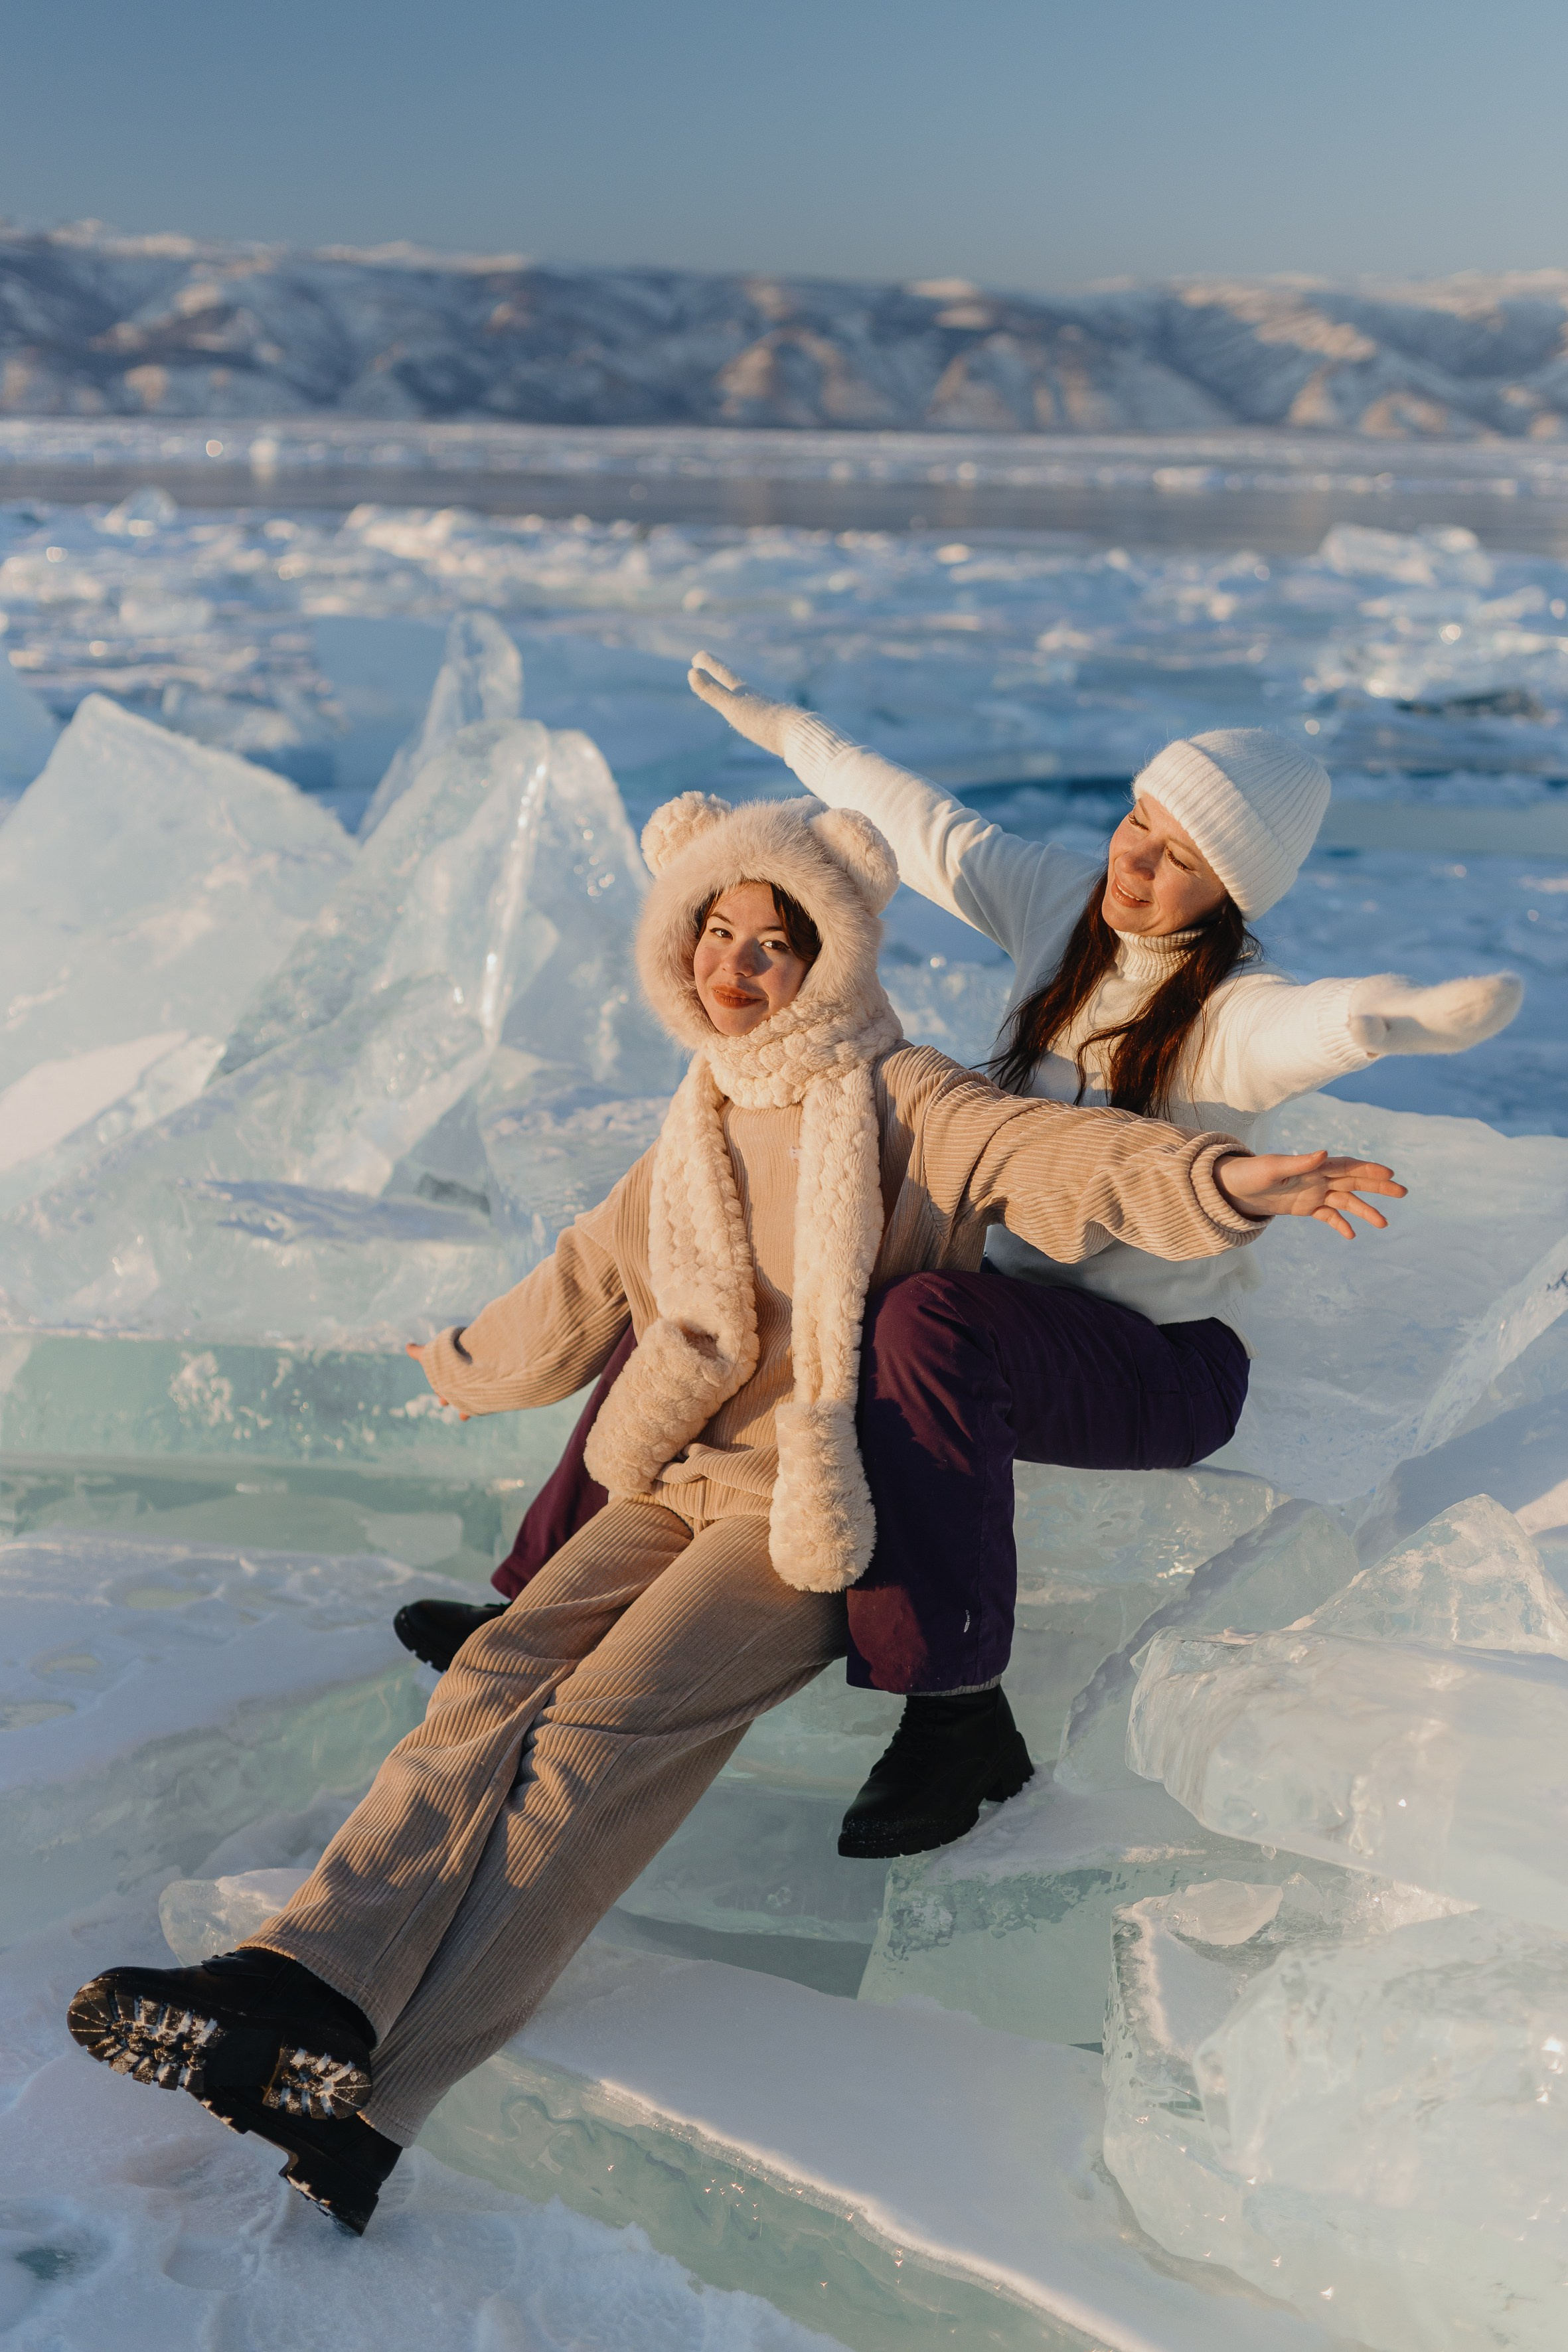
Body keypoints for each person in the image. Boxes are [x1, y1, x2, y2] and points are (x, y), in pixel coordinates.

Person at [66, 790, 1400, 2234]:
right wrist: (455, 1365)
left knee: (590, 1739)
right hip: (683, 1475)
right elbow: (587, 1276)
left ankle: (378, 2099)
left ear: (825, 962)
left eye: (774, 946)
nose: (737, 968)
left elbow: (1058, 1155)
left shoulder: (901, 1093)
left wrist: (1228, 1175)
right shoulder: (697, 1114)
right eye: (716, 933)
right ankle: (298, 1980)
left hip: (811, 1512)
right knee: (497, 1669)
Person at [399, 661, 1516, 1861]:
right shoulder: (1065, 911)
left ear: (1231, 891)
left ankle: (954, 1714)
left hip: (1152, 1365)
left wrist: (1401, 1022)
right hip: (1002, 1317)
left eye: (1179, 859)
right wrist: (785, 728)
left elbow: (1325, 1021)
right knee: (721, 1263)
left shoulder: (1235, 1011)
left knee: (924, 1313)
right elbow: (918, 825)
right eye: (1139, 820)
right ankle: (533, 1592)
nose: (1135, 865)